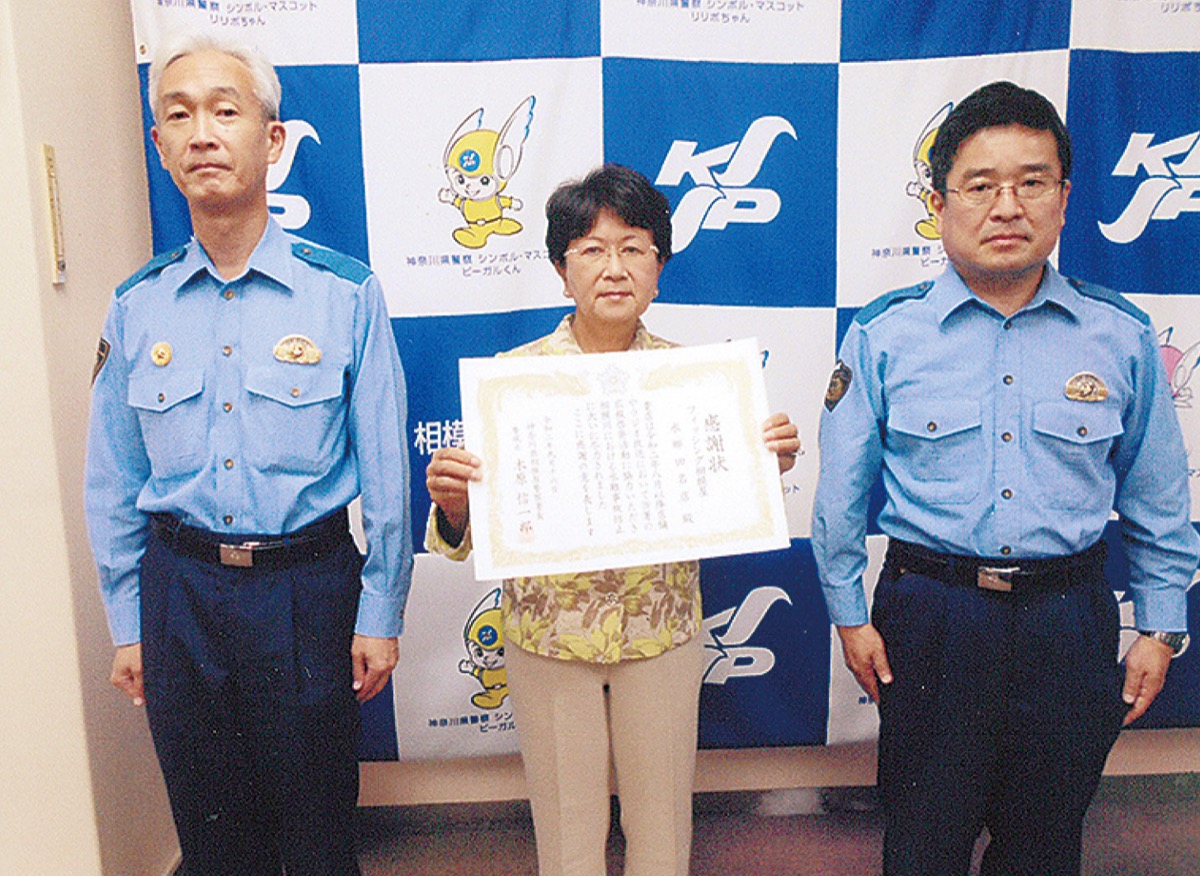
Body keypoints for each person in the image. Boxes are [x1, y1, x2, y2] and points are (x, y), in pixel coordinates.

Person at [812, 80, 1198, 876]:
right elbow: (839, 498)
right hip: (932, 617)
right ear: (940, 202)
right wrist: (850, 617)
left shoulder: (1119, 334)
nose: (1007, 207)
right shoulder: (886, 333)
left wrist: (1161, 626)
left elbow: (1160, 501)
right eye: (981, 185)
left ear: (1064, 199)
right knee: (922, 845)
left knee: (1045, 848)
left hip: (1069, 620)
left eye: (1032, 182)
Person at [84, 33, 412, 876]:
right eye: (179, 115)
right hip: (179, 596)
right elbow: (114, 480)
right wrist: (129, 623)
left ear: (271, 140)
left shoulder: (344, 294)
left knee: (318, 839)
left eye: (225, 111)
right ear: (160, 146)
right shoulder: (136, 307)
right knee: (213, 843)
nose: (202, 133)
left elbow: (386, 474)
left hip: (305, 591)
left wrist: (380, 610)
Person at [426, 164, 801, 876]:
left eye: (634, 248)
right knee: (567, 835)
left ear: (659, 268)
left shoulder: (701, 384)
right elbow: (468, 535)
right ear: (561, 271)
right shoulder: (512, 380)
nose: (615, 267)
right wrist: (455, 506)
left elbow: (729, 505)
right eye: (592, 250)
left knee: (662, 829)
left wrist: (762, 466)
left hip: (660, 631)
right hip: (548, 637)